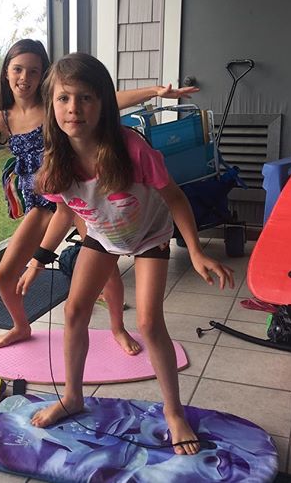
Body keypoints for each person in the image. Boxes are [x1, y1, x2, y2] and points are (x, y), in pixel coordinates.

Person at [0, 38, 199, 350]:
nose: (25, 77)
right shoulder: (2, 119)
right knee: (4, 274)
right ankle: (20, 326)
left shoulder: (55, 107)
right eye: (18, 69)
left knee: (108, 272)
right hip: (44, 204)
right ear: (6, 73)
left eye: (34, 71)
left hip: (78, 198)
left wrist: (155, 92)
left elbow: (110, 99)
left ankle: (118, 328)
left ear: (43, 76)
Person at [19, 52, 233, 455]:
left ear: (103, 102)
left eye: (85, 98)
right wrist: (37, 260)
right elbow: (64, 212)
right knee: (73, 313)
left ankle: (174, 412)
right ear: (51, 105)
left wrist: (196, 251)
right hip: (103, 235)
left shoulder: (131, 148)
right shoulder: (55, 161)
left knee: (149, 323)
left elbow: (175, 197)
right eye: (64, 98)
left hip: (149, 235)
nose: (74, 108)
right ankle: (72, 397)